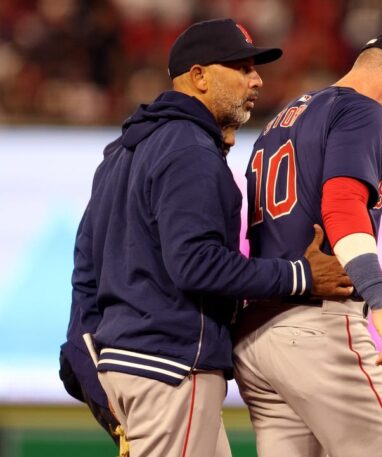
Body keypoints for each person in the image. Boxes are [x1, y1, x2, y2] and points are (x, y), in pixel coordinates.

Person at [61, 18, 352, 457]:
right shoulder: (189, 149)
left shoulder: (122, 153)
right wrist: (301, 276)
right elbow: (196, 265)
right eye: (241, 68)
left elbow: (86, 271)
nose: (256, 80)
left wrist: (87, 357)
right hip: (171, 364)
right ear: (198, 76)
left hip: (129, 364)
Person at [233, 31, 382, 457]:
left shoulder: (281, 118)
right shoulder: (363, 111)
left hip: (257, 335)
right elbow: (343, 208)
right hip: (317, 327)